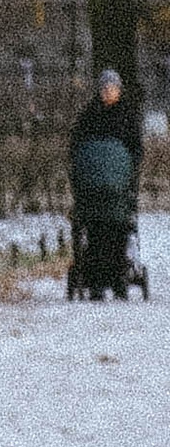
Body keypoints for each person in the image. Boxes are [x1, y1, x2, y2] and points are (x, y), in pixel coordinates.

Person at [70, 65, 144, 300]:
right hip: (93, 186)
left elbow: (136, 148)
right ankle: (96, 281)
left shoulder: (127, 116)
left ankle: (118, 278)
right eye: (104, 88)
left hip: (118, 186)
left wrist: (131, 170)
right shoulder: (90, 115)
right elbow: (77, 145)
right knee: (95, 230)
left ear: (119, 90)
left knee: (118, 230)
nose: (108, 92)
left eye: (112, 88)